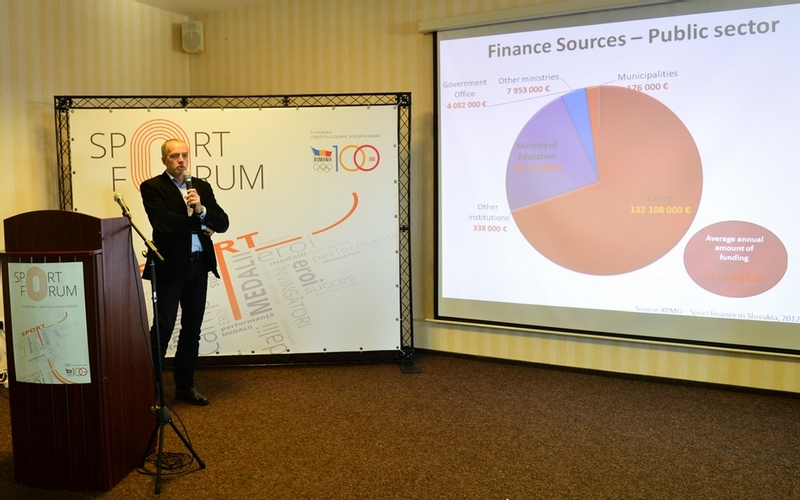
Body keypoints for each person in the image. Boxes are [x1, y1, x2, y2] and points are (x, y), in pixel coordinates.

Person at [140, 138, 229, 406]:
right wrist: (201, 222)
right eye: (174, 156)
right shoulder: (152, 187)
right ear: (164, 160)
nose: (181, 160)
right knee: (163, 328)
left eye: (184, 155)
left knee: (192, 328)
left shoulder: (201, 186)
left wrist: (202, 210)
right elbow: (164, 222)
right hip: (169, 266)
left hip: (198, 266)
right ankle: (151, 388)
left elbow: (222, 222)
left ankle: (185, 386)